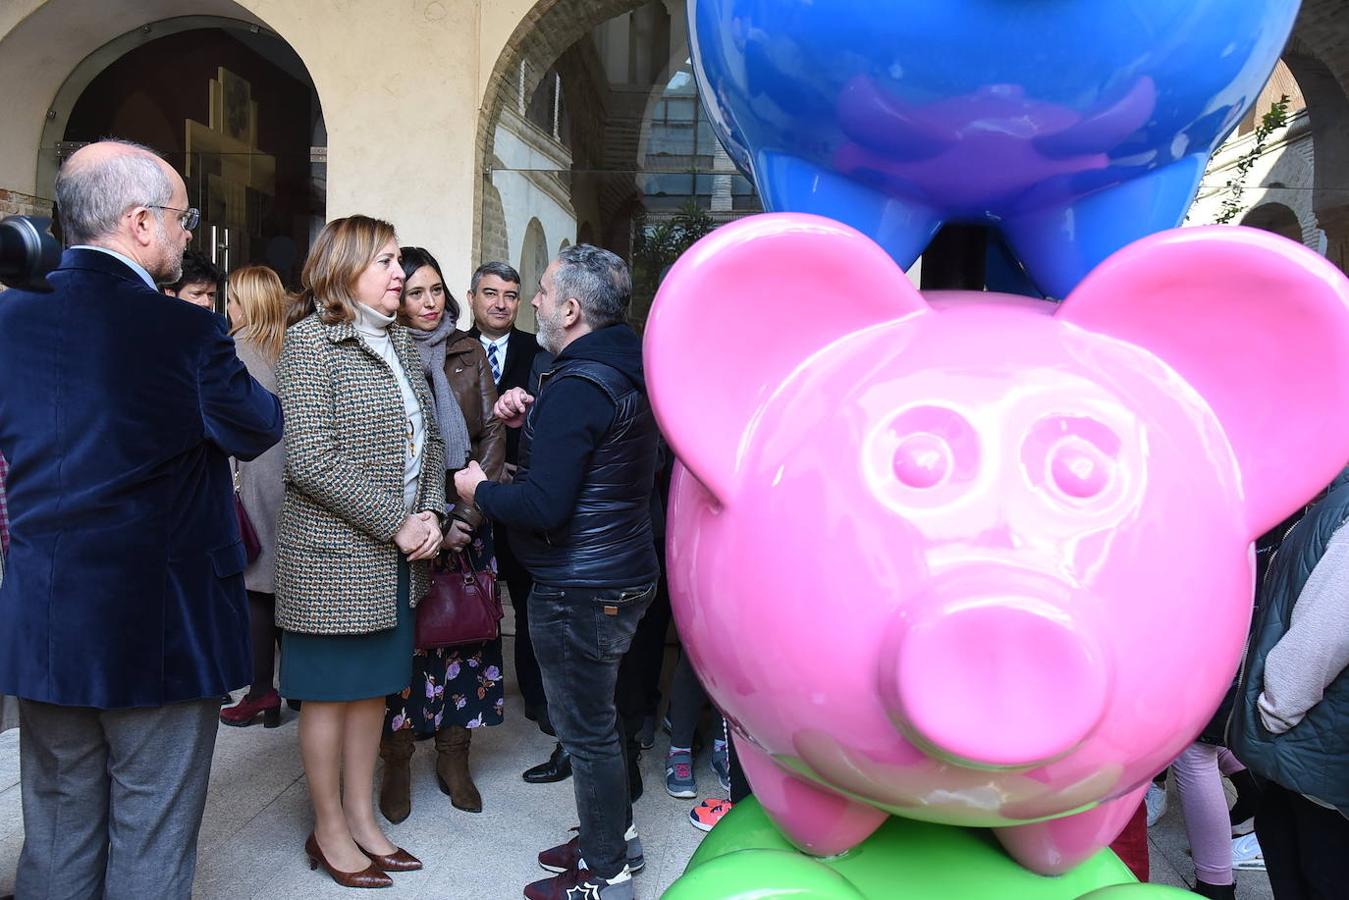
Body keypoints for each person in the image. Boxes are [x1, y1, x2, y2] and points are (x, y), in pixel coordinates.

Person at [0, 139, 283, 898]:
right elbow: (258, 426)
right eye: (183, 216)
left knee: (55, 835)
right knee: (150, 841)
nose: (190, 232)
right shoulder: (185, 332)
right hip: (157, 629)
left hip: (46, 620)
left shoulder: (7, 319)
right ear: (139, 222)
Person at [456, 245, 659, 900]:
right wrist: (534, 419)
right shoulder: (621, 367)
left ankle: (606, 878)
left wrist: (477, 490)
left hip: (582, 584)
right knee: (602, 723)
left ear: (571, 309)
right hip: (619, 569)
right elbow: (598, 461)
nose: (533, 301)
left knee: (588, 733)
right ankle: (614, 841)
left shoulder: (578, 385)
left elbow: (544, 504)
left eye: (541, 291)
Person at [275, 215, 447, 889]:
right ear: (343, 269)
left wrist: (430, 509)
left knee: (373, 695)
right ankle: (327, 828)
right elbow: (311, 459)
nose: (399, 273)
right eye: (384, 261)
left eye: (398, 258)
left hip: (394, 562)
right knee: (328, 699)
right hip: (331, 561)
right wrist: (398, 522)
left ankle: (361, 816)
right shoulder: (310, 343)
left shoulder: (402, 343)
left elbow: (427, 440)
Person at [379, 246, 506, 821]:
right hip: (406, 529)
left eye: (435, 290)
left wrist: (466, 519)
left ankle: (456, 757)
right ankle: (398, 759)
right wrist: (429, 520)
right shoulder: (384, 350)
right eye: (415, 292)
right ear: (396, 298)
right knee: (405, 647)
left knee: (465, 638)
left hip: (465, 522)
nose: (429, 303)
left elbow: (491, 439)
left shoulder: (466, 348)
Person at [1231, 466, 1349, 900]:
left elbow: (1323, 637)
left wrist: (1273, 711)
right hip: (1314, 761)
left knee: (1315, 870)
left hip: (1320, 765)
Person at [466, 262, 549, 738]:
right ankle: (472, 694)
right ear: (473, 295)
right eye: (491, 293)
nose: (501, 303)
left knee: (527, 597)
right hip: (467, 490)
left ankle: (537, 698)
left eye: (511, 295)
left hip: (521, 494)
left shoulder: (538, 353)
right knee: (466, 595)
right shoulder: (452, 348)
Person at [219, 265, 293, 728]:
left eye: (230, 299)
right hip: (295, 476)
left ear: (244, 303)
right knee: (293, 585)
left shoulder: (235, 349)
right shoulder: (297, 346)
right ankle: (300, 688)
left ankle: (263, 692)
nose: (227, 308)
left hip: (252, 475)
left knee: (256, 589)